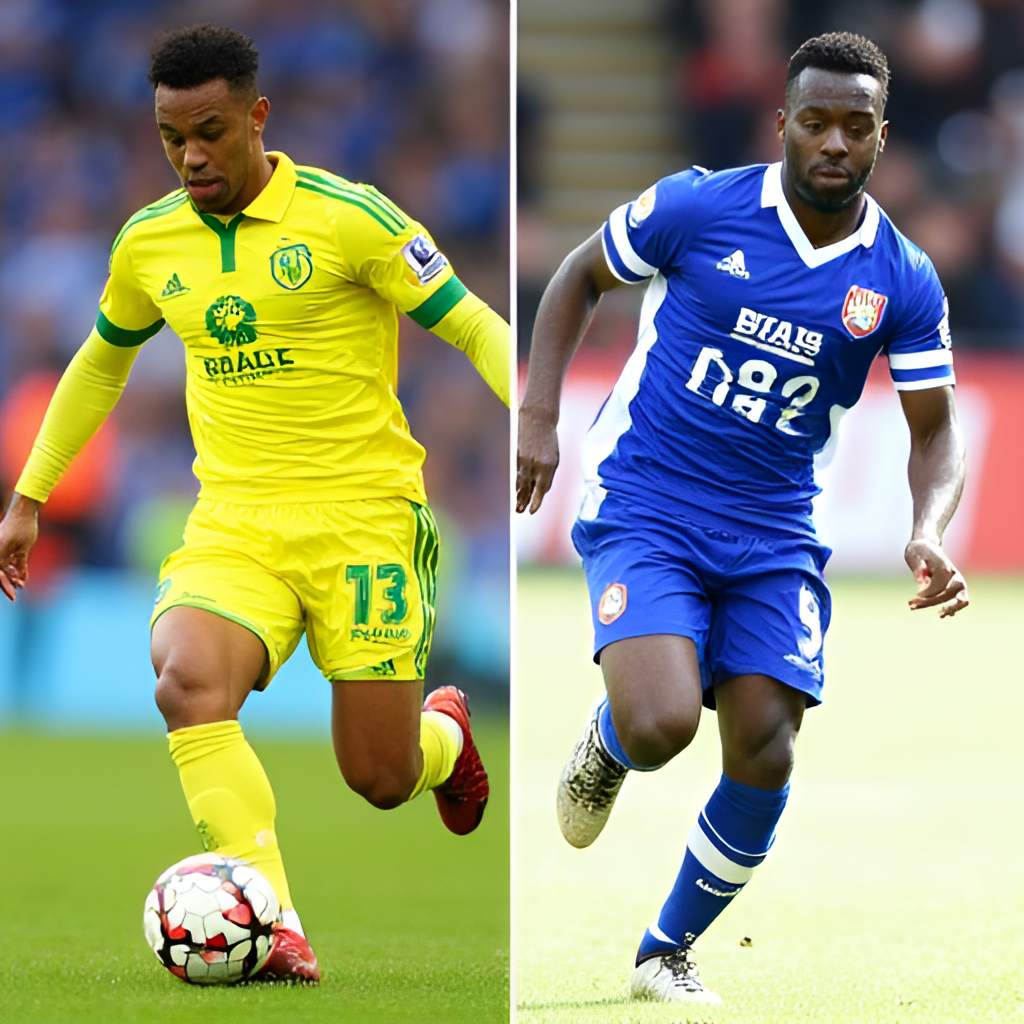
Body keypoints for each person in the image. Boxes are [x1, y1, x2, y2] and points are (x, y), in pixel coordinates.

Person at [0, 24, 509, 984]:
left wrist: (530, 415)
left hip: (364, 521)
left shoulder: (348, 218)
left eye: (209, 130)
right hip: (234, 522)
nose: (190, 155)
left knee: (380, 777)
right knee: (185, 678)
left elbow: (472, 322)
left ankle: (444, 738)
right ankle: (275, 923)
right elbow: (100, 364)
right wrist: (30, 493)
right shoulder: (149, 243)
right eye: (169, 137)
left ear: (256, 116)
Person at [516, 32, 967, 1005]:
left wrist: (929, 523)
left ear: (882, 137)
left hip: (773, 531)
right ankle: (609, 740)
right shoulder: (698, 205)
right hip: (651, 501)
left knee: (765, 742)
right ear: (782, 125)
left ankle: (663, 948)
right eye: (815, 122)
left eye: (855, 126)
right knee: (661, 720)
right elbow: (575, 279)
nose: (833, 142)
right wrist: (536, 416)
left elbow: (935, 433)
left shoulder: (899, 278)